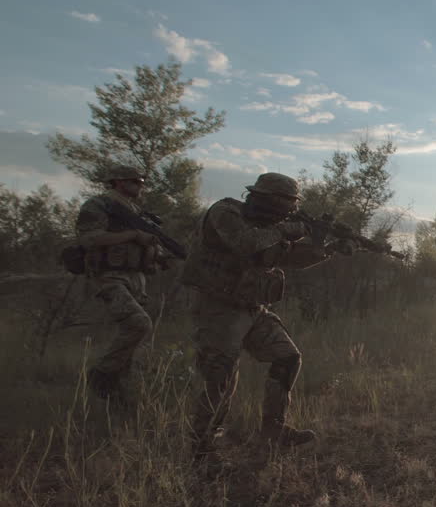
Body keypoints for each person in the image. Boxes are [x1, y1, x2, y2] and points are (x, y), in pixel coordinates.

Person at [181, 172, 348, 468]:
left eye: (292, 206)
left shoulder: (272, 228)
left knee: (287, 357)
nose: (290, 211)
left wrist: (327, 248)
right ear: (266, 199)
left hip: (253, 307)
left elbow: (289, 258)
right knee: (220, 376)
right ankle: (203, 451)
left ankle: (273, 430)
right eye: (286, 205)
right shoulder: (226, 212)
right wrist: (291, 229)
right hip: (218, 308)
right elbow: (249, 243)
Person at [74, 164, 165, 411]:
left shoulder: (136, 211)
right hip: (109, 277)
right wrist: (133, 236)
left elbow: (143, 245)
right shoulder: (99, 205)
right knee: (139, 324)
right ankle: (101, 374)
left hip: (136, 279)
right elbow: (89, 239)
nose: (140, 186)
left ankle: (121, 401)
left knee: (137, 342)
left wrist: (154, 253)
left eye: (142, 182)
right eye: (134, 181)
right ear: (117, 182)